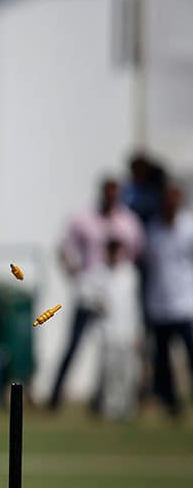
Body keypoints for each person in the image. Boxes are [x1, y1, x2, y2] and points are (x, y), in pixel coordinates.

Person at [47, 178, 144, 411]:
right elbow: (64, 247)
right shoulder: (84, 218)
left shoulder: (128, 222)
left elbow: (138, 252)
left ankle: (115, 402)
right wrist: (73, 272)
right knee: (74, 344)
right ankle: (54, 397)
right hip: (90, 289)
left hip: (116, 293)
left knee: (116, 350)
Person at [142, 185, 193, 419]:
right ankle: (171, 404)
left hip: (185, 305)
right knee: (162, 361)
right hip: (159, 306)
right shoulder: (152, 230)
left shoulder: (188, 227)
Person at [80, 239, 143, 420]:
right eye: (111, 251)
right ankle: (110, 410)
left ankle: (127, 410)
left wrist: (138, 330)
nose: (114, 255)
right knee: (110, 374)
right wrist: (97, 302)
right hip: (107, 332)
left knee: (128, 373)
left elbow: (135, 305)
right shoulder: (98, 273)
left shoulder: (130, 273)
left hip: (128, 332)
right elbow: (83, 293)